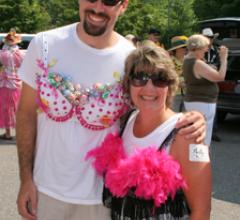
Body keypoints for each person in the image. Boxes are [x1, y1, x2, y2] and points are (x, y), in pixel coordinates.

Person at [16, 1, 206, 220]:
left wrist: (192, 118)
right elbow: (26, 113)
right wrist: (25, 179)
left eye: (108, 1)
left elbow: (151, 105)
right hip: (44, 190)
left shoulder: (130, 58)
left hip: (103, 199)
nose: (97, 7)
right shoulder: (45, 44)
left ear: (123, 5)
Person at [86, 45, 212, 219]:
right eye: (140, 78)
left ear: (170, 85)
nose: (150, 88)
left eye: (160, 79)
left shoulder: (187, 134)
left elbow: (202, 210)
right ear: (128, 83)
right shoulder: (125, 120)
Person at [183, 34, 228, 146]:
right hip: (202, 102)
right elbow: (220, 77)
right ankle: (202, 162)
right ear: (197, 47)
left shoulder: (188, 59)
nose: (207, 49)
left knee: (196, 135)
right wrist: (224, 59)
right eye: (205, 47)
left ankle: (195, 160)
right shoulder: (197, 63)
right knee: (203, 138)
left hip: (194, 100)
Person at [0, 28, 24, 140]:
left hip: (4, 83)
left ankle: (8, 133)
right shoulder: (20, 54)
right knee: (17, 108)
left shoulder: (2, 54)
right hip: (17, 83)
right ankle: (20, 132)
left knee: (6, 108)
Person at [202, 28, 221, 142]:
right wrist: (210, 67)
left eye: (210, 38)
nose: (208, 40)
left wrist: (207, 67)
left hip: (212, 82)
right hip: (201, 82)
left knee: (213, 107)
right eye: (206, 38)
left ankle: (213, 131)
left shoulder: (216, 51)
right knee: (201, 106)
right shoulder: (199, 50)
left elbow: (218, 66)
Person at [168, 35, 188, 111]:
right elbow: (169, 76)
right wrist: (179, 82)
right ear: (176, 49)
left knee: (185, 118)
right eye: (183, 47)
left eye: (186, 47)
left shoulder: (187, 60)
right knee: (173, 116)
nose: (185, 49)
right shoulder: (169, 61)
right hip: (174, 94)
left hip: (187, 93)